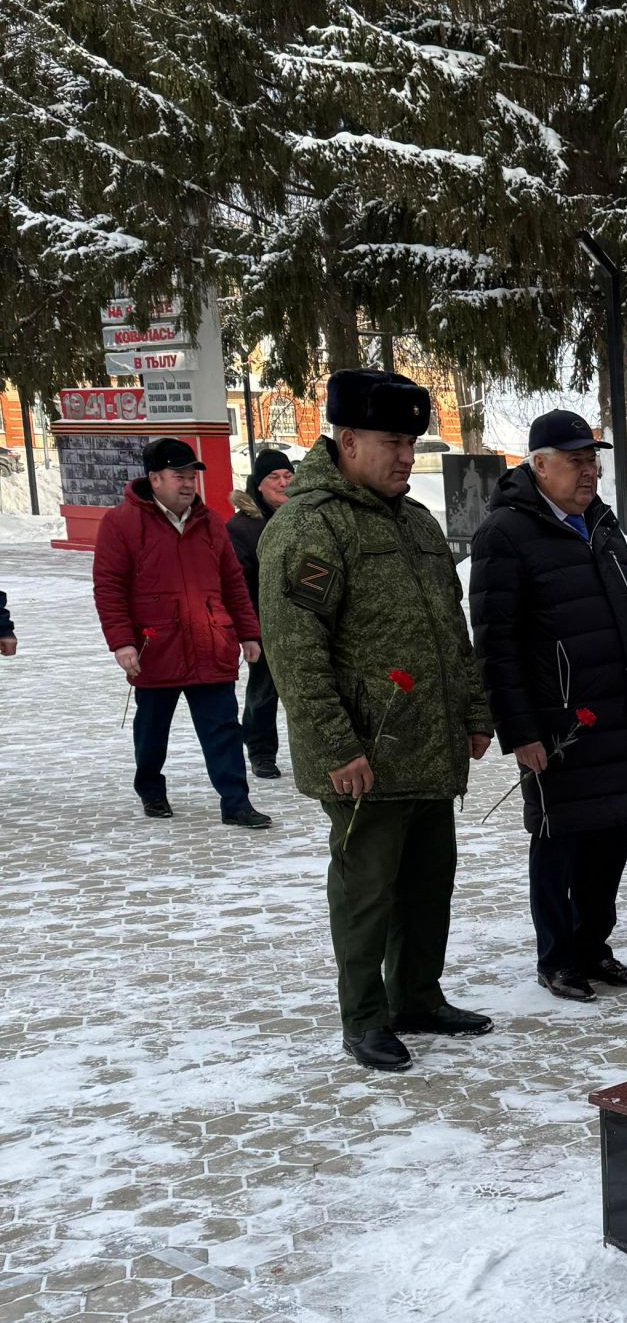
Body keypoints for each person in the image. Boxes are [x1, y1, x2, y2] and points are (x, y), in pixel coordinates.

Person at [256, 369, 496, 1073]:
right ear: (347, 438)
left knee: (429, 884)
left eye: (412, 443)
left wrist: (474, 712)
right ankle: (363, 1016)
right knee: (366, 895)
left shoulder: (416, 522)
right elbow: (295, 651)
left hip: (428, 745)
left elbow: (452, 631)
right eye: (392, 441)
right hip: (364, 752)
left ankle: (417, 995)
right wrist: (336, 744)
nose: (404, 456)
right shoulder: (309, 525)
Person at [469, 407, 627, 1001]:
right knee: (560, 839)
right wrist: (519, 730)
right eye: (576, 462)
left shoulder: (603, 527)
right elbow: (496, 645)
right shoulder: (506, 534)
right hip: (557, 724)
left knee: (612, 836)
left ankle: (594, 947)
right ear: (539, 466)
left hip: (617, 714)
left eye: (594, 461)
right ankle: (557, 957)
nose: (589, 474)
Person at [92, 436, 271, 829]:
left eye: (192, 475)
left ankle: (236, 803)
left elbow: (232, 582)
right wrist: (122, 643)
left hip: (210, 641)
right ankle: (151, 790)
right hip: (156, 645)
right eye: (179, 476)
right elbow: (109, 588)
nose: (188, 484)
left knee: (223, 728)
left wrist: (248, 633)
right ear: (154, 478)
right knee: (152, 730)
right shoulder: (121, 523)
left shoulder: (210, 523)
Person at [227, 445, 294, 777]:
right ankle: (261, 751)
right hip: (266, 622)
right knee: (264, 692)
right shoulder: (243, 528)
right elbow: (238, 581)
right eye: (274, 477)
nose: (282, 483)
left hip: (307, 618)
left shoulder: (305, 517)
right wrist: (251, 628)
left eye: (287, 475)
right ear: (258, 484)